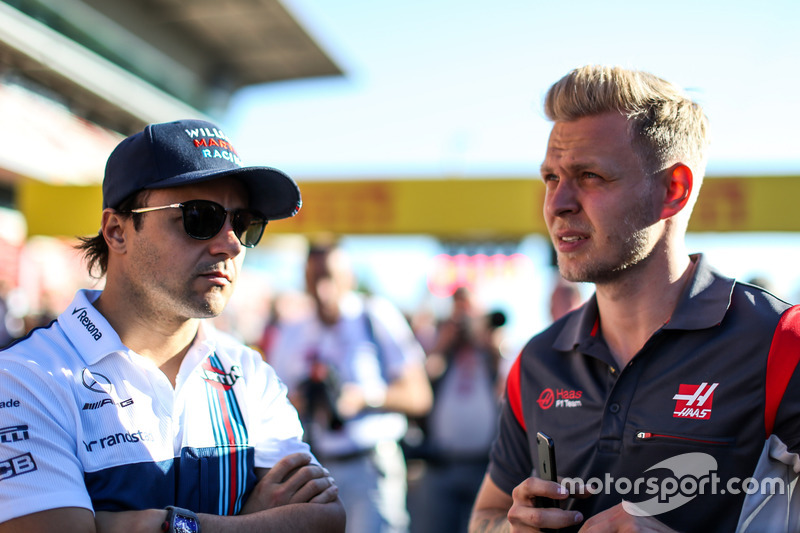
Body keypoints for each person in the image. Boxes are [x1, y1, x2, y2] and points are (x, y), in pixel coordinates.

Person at [469, 65, 800, 533]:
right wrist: (512, 527)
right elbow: (484, 514)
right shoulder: (539, 359)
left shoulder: (780, 341)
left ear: (673, 190)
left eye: (589, 175)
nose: (557, 203)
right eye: (549, 178)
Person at [0, 119, 345, 532]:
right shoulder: (24, 378)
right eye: (200, 217)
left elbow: (323, 519)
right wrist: (250, 520)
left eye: (243, 222)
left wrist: (148, 525)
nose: (231, 243)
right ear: (116, 230)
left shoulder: (250, 375)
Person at [264, 241, 433, 533]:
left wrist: (365, 398)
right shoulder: (293, 332)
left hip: (372, 464)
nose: (322, 290)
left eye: (329, 278)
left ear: (349, 278)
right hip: (316, 468)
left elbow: (420, 396)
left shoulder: (374, 316)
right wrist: (301, 402)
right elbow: (270, 407)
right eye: (314, 279)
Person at [411, 286, 504, 533]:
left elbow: (506, 389)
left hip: (484, 466)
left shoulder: (490, 346)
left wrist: (490, 345)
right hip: (441, 464)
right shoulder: (441, 342)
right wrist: (443, 344)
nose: (464, 317)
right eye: (458, 308)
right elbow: (421, 383)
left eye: (469, 309)